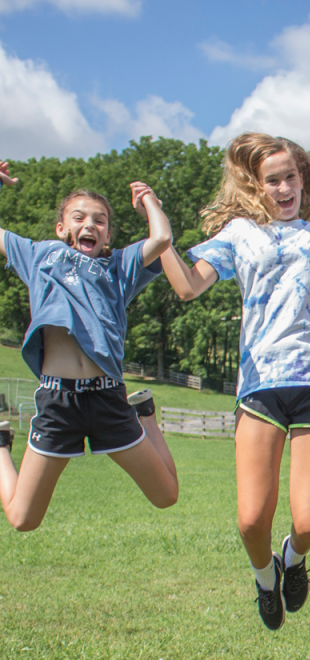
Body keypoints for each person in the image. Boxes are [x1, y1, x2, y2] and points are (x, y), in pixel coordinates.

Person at [158, 133, 310, 631]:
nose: (284, 186)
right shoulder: (241, 234)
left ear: (303, 180)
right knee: (250, 521)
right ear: (256, 186)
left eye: (292, 176)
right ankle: (265, 577)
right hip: (261, 387)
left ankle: (292, 555)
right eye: (273, 180)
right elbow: (186, 285)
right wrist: (160, 239)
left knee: (309, 523)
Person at [0, 164, 179, 532]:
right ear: (61, 228)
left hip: (107, 399)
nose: (90, 225)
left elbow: (161, 239)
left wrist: (149, 202)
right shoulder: (39, 256)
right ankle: (1, 444)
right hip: (57, 401)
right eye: (79, 217)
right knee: (22, 520)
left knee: (167, 495)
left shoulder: (118, 268)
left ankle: (145, 414)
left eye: (100, 221)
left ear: (108, 233)